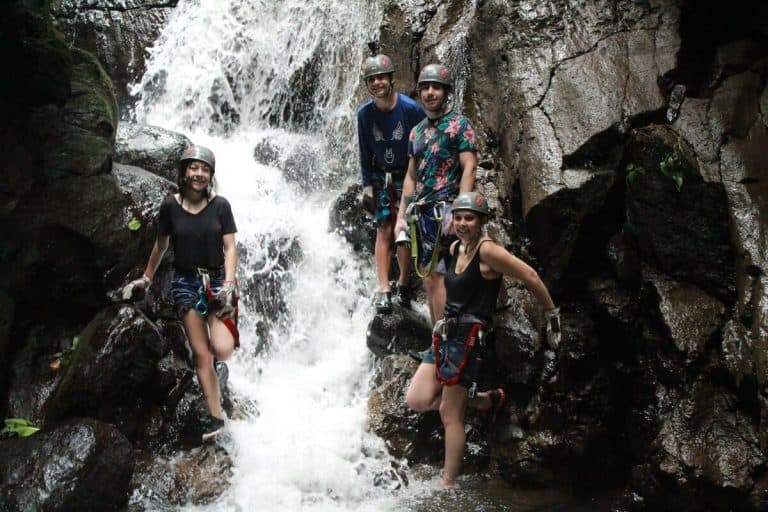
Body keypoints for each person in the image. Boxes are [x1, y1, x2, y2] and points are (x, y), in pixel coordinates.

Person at [405, 192, 561, 489]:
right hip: (446, 335)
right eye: (459, 217)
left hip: (469, 340)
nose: (463, 223)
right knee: (417, 399)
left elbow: (529, 275)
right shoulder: (454, 247)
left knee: (449, 412)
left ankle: (448, 483)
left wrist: (552, 313)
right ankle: (485, 400)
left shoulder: (488, 252)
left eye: (470, 218)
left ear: (482, 222)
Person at [121, 144, 239, 442]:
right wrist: (146, 280)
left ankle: (216, 372)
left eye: (205, 169)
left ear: (211, 175)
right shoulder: (169, 206)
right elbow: (161, 246)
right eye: (194, 167)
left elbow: (230, 247)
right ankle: (215, 417)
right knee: (201, 353)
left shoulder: (221, 206)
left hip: (216, 283)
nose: (199, 174)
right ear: (184, 171)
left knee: (222, 349)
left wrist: (229, 283)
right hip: (185, 283)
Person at [395, 63, 478, 324]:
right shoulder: (416, 131)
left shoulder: (460, 125)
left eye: (436, 87)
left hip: (447, 210)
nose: (430, 93)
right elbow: (410, 176)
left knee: (444, 275)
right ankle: (439, 340)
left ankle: (442, 343)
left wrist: (461, 209)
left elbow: (470, 167)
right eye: (425, 88)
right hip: (422, 214)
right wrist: (401, 216)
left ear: (446, 92)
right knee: (431, 278)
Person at [357, 53, 426, 314]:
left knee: (404, 229)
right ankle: (384, 288)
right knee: (383, 227)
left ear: (391, 79)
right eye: (372, 80)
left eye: (381, 78)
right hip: (381, 176)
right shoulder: (364, 114)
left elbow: (424, 143)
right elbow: (364, 152)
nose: (377, 83)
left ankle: (404, 283)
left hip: (408, 174)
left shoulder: (410, 109)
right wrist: (367, 187)